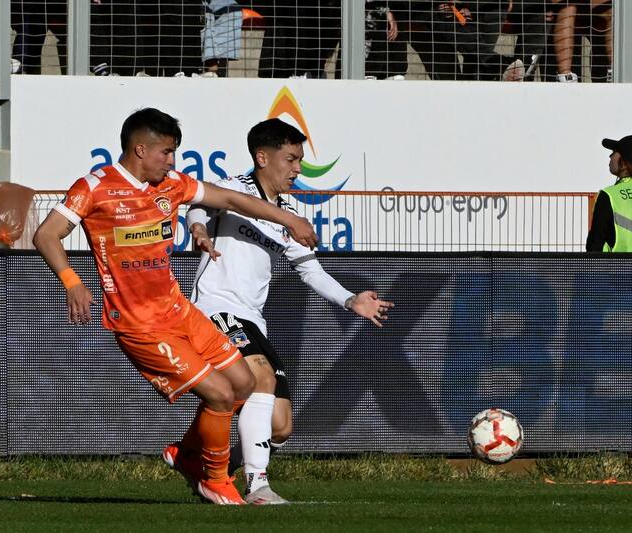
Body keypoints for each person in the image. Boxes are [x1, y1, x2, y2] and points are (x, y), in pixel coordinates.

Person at [33, 108, 318, 505]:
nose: (172, 161)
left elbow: (232, 198)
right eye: (166, 152)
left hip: (179, 310)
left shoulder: (171, 185)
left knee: (244, 383)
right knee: (220, 394)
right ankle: (215, 479)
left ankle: (186, 455)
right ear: (140, 149)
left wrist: (287, 219)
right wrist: (72, 283)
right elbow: (46, 234)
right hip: (139, 324)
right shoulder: (95, 187)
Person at [180, 118, 394, 504]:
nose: (298, 169)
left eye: (299, 161)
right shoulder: (233, 188)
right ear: (262, 157)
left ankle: (192, 459)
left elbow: (310, 269)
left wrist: (351, 300)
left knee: (280, 427)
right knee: (260, 375)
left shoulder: (287, 218)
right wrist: (197, 230)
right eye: (292, 159)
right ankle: (257, 486)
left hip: (251, 318)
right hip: (214, 306)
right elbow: (196, 204)